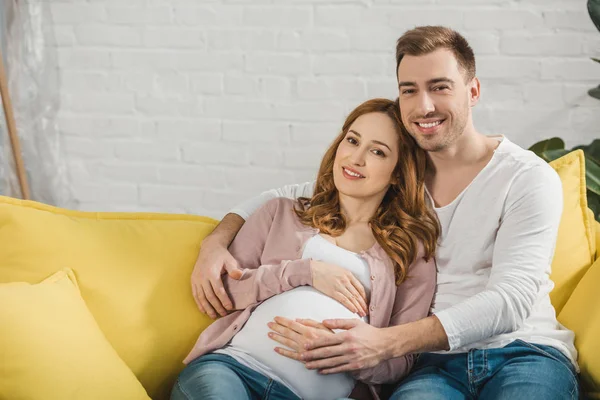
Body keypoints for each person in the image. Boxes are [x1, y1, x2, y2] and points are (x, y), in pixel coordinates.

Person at [191, 26, 580, 399]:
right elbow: (287, 197)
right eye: (409, 90)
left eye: (439, 87)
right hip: (434, 366)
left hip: (523, 351)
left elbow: (510, 301)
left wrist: (381, 344)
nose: (423, 105)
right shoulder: (395, 177)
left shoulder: (526, 177)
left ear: (473, 90)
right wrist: (215, 242)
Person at [174, 98, 440, 400]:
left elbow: (402, 358)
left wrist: (349, 353)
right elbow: (226, 293)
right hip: (235, 369)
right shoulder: (279, 213)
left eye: (377, 151)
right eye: (352, 140)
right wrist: (306, 272)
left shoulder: (411, 254)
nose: (356, 158)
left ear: (398, 173)